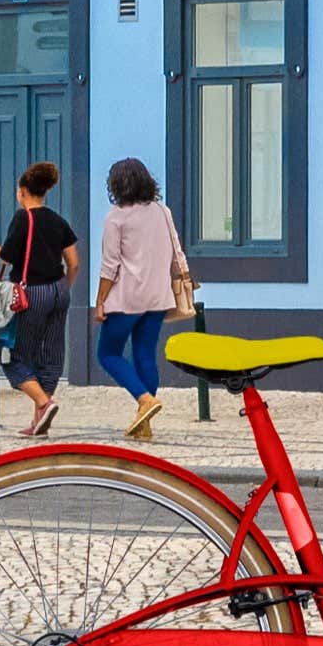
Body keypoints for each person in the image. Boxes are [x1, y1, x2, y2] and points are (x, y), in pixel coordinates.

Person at [0, 162, 80, 435]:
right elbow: (74, 263)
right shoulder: (58, 220)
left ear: (22, 192)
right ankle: (38, 422)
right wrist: (64, 288)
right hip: (59, 291)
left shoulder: (23, 218)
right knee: (52, 354)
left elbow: (7, 256)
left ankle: (43, 402)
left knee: (12, 353)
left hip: (31, 293)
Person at [90, 158, 193, 441]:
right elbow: (177, 251)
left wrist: (100, 300)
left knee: (108, 354)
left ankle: (145, 400)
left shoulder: (116, 218)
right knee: (145, 355)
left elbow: (110, 265)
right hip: (158, 296)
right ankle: (144, 423)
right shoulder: (162, 210)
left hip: (126, 298)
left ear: (116, 185)